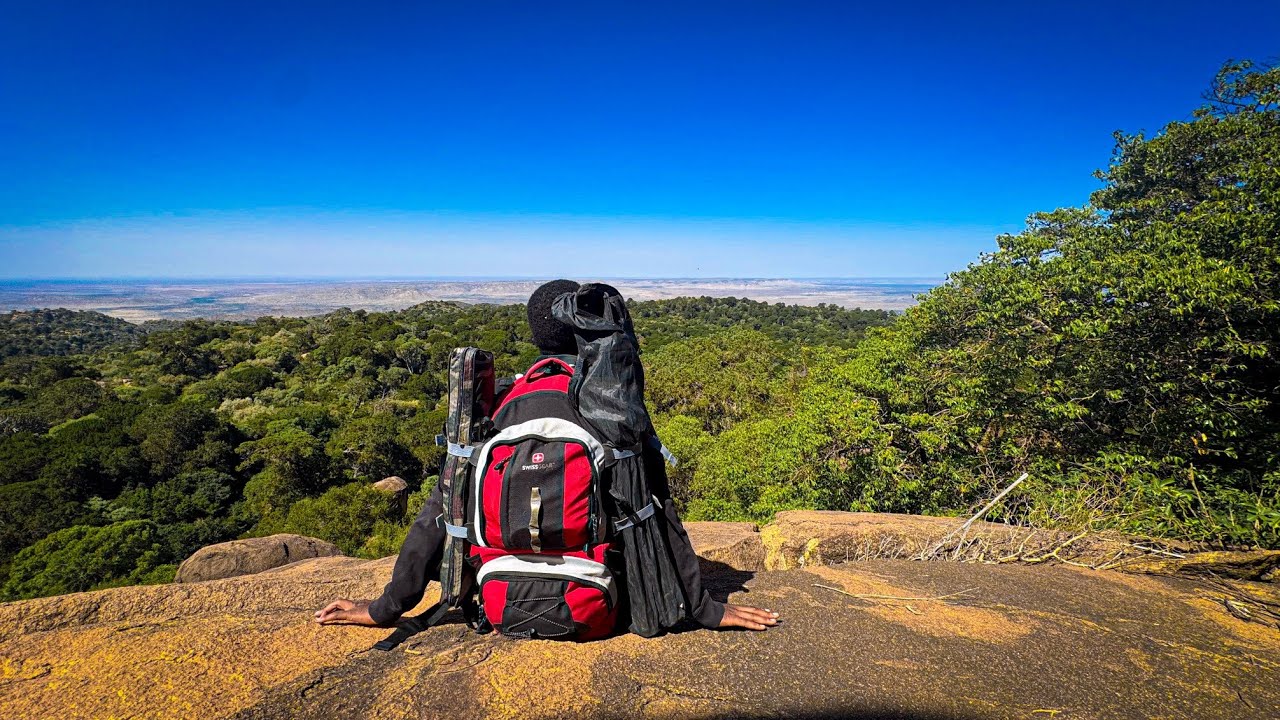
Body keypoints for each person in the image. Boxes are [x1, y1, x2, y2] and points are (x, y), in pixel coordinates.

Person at [315, 280, 779, 633]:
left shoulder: (495, 409)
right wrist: (707, 610)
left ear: (536, 335)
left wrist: (382, 609)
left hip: (498, 601)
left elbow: (440, 511)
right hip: (601, 602)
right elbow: (657, 513)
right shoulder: (612, 409)